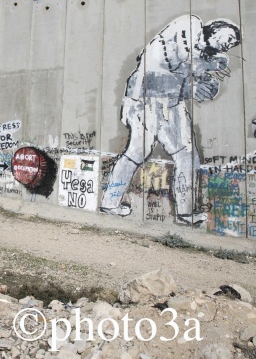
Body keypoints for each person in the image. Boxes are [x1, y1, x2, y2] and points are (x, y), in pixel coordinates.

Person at [100, 15, 241, 225]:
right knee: (140, 152)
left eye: (233, 43)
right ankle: (111, 203)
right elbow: (153, 75)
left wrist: (206, 86)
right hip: (144, 98)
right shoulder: (188, 26)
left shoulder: (202, 57)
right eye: (228, 36)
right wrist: (195, 79)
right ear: (215, 27)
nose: (229, 43)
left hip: (170, 103)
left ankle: (184, 212)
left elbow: (189, 81)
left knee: (184, 155)